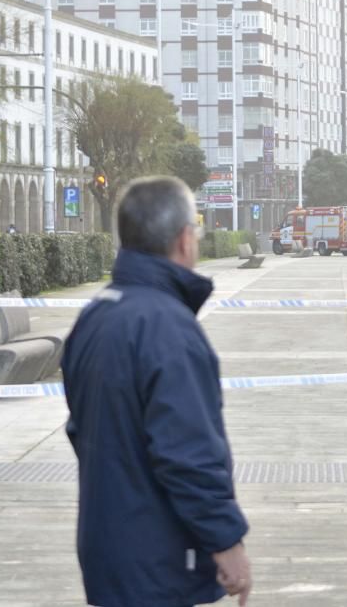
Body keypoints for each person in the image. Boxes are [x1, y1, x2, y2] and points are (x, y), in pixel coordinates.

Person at [62, 176, 251, 607]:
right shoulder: (168, 327)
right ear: (185, 239)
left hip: (108, 546)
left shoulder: (97, 315)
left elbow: (81, 429)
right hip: (157, 557)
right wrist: (226, 541)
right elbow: (188, 452)